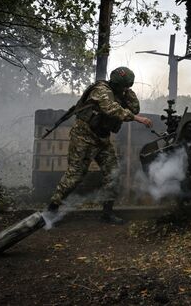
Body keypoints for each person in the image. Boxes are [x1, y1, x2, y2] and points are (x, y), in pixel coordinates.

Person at [47, 66, 152, 224]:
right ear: (116, 83)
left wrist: (127, 92)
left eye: (128, 86)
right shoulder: (101, 90)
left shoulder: (121, 93)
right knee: (75, 176)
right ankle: (51, 211)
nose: (126, 89)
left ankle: (107, 213)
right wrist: (138, 119)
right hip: (84, 137)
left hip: (102, 140)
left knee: (113, 174)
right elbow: (112, 109)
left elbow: (135, 108)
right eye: (124, 86)